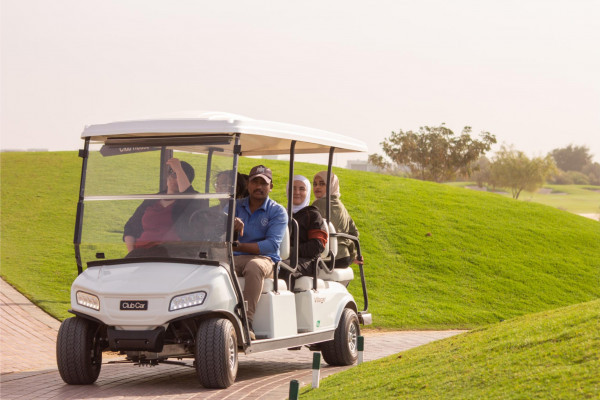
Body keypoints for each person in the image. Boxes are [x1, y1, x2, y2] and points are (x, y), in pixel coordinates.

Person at [232, 165, 287, 339]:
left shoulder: (277, 211)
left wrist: (238, 245)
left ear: (271, 187)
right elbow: (217, 224)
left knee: (254, 266)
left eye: (263, 183)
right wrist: (229, 222)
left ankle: (246, 322)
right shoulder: (235, 206)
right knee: (213, 266)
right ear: (248, 184)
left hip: (266, 261)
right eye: (255, 181)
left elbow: (270, 245)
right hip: (235, 258)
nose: (259, 187)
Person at [123, 158, 198, 257]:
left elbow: (189, 195)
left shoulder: (188, 203)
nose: (173, 177)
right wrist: (132, 253)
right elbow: (130, 227)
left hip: (169, 254)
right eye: (171, 173)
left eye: (177, 175)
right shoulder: (153, 199)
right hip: (140, 254)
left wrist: (178, 168)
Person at [279, 175, 328, 283]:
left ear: (308, 192)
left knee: (282, 268)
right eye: (293, 188)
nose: (296, 192)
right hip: (282, 258)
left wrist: (290, 251)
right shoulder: (281, 214)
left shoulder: (313, 215)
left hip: (308, 261)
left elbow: (317, 245)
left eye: (302, 189)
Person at [312, 171, 362, 268]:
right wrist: (354, 254)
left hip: (328, 258)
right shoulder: (341, 207)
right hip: (345, 258)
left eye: (322, 184)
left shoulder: (317, 205)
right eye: (315, 184)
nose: (317, 187)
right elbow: (355, 233)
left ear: (331, 185)